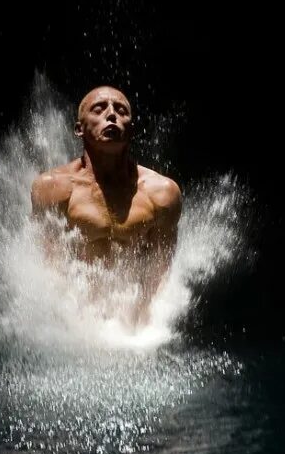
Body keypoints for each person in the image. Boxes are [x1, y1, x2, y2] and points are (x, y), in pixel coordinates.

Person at [30, 86, 182, 327]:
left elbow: (160, 271)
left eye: (121, 111)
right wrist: (73, 329)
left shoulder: (162, 193)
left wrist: (146, 331)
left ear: (131, 128)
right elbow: (50, 269)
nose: (111, 115)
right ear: (79, 129)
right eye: (99, 109)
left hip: (132, 324)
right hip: (75, 323)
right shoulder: (53, 189)